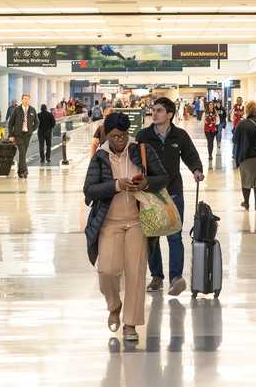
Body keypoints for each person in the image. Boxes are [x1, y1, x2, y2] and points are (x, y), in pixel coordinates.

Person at [82, 112, 170, 344]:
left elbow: (164, 177)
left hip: (137, 222)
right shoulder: (100, 157)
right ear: (106, 135)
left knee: (136, 272)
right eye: (114, 136)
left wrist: (146, 182)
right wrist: (116, 185)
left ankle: (130, 324)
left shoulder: (141, 150)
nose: (119, 140)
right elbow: (89, 191)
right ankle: (114, 305)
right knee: (107, 270)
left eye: (123, 135)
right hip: (109, 223)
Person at [136, 97, 203, 296]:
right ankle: (157, 277)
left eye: (159, 111)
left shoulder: (179, 135)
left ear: (170, 115)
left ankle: (176, 278)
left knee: (174, 235)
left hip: (173, 191)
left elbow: (190, 154)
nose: (154, 113)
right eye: (153, 110)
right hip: (149, 193)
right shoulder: (144, 135)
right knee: (152, 235)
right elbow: (134, 158)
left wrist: (196, 170)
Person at [7, 93, 38, 179]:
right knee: (22, 152)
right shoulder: (17, 110)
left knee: (23, 153)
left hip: (27, 135)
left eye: (27, 99)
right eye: (24, 98)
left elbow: (37, 122)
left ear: (29, 100)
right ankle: (24, 171)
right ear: (22, 100)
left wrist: (31, 130)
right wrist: (11, 135)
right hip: (18, 135)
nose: (26, 100)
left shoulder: (32, 110)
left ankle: (21, 171)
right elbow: (11, 123)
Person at [37, 101, 57, 167]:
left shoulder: (38, 115)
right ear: (46, 108)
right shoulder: (50, 114)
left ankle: (42, 158)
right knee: (48, 145)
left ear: (41, 109)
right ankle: (48, 158)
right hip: (48, 132)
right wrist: (50, 128)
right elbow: (54, 123)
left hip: (40, 132)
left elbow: (36, 123)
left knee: (41, 146)